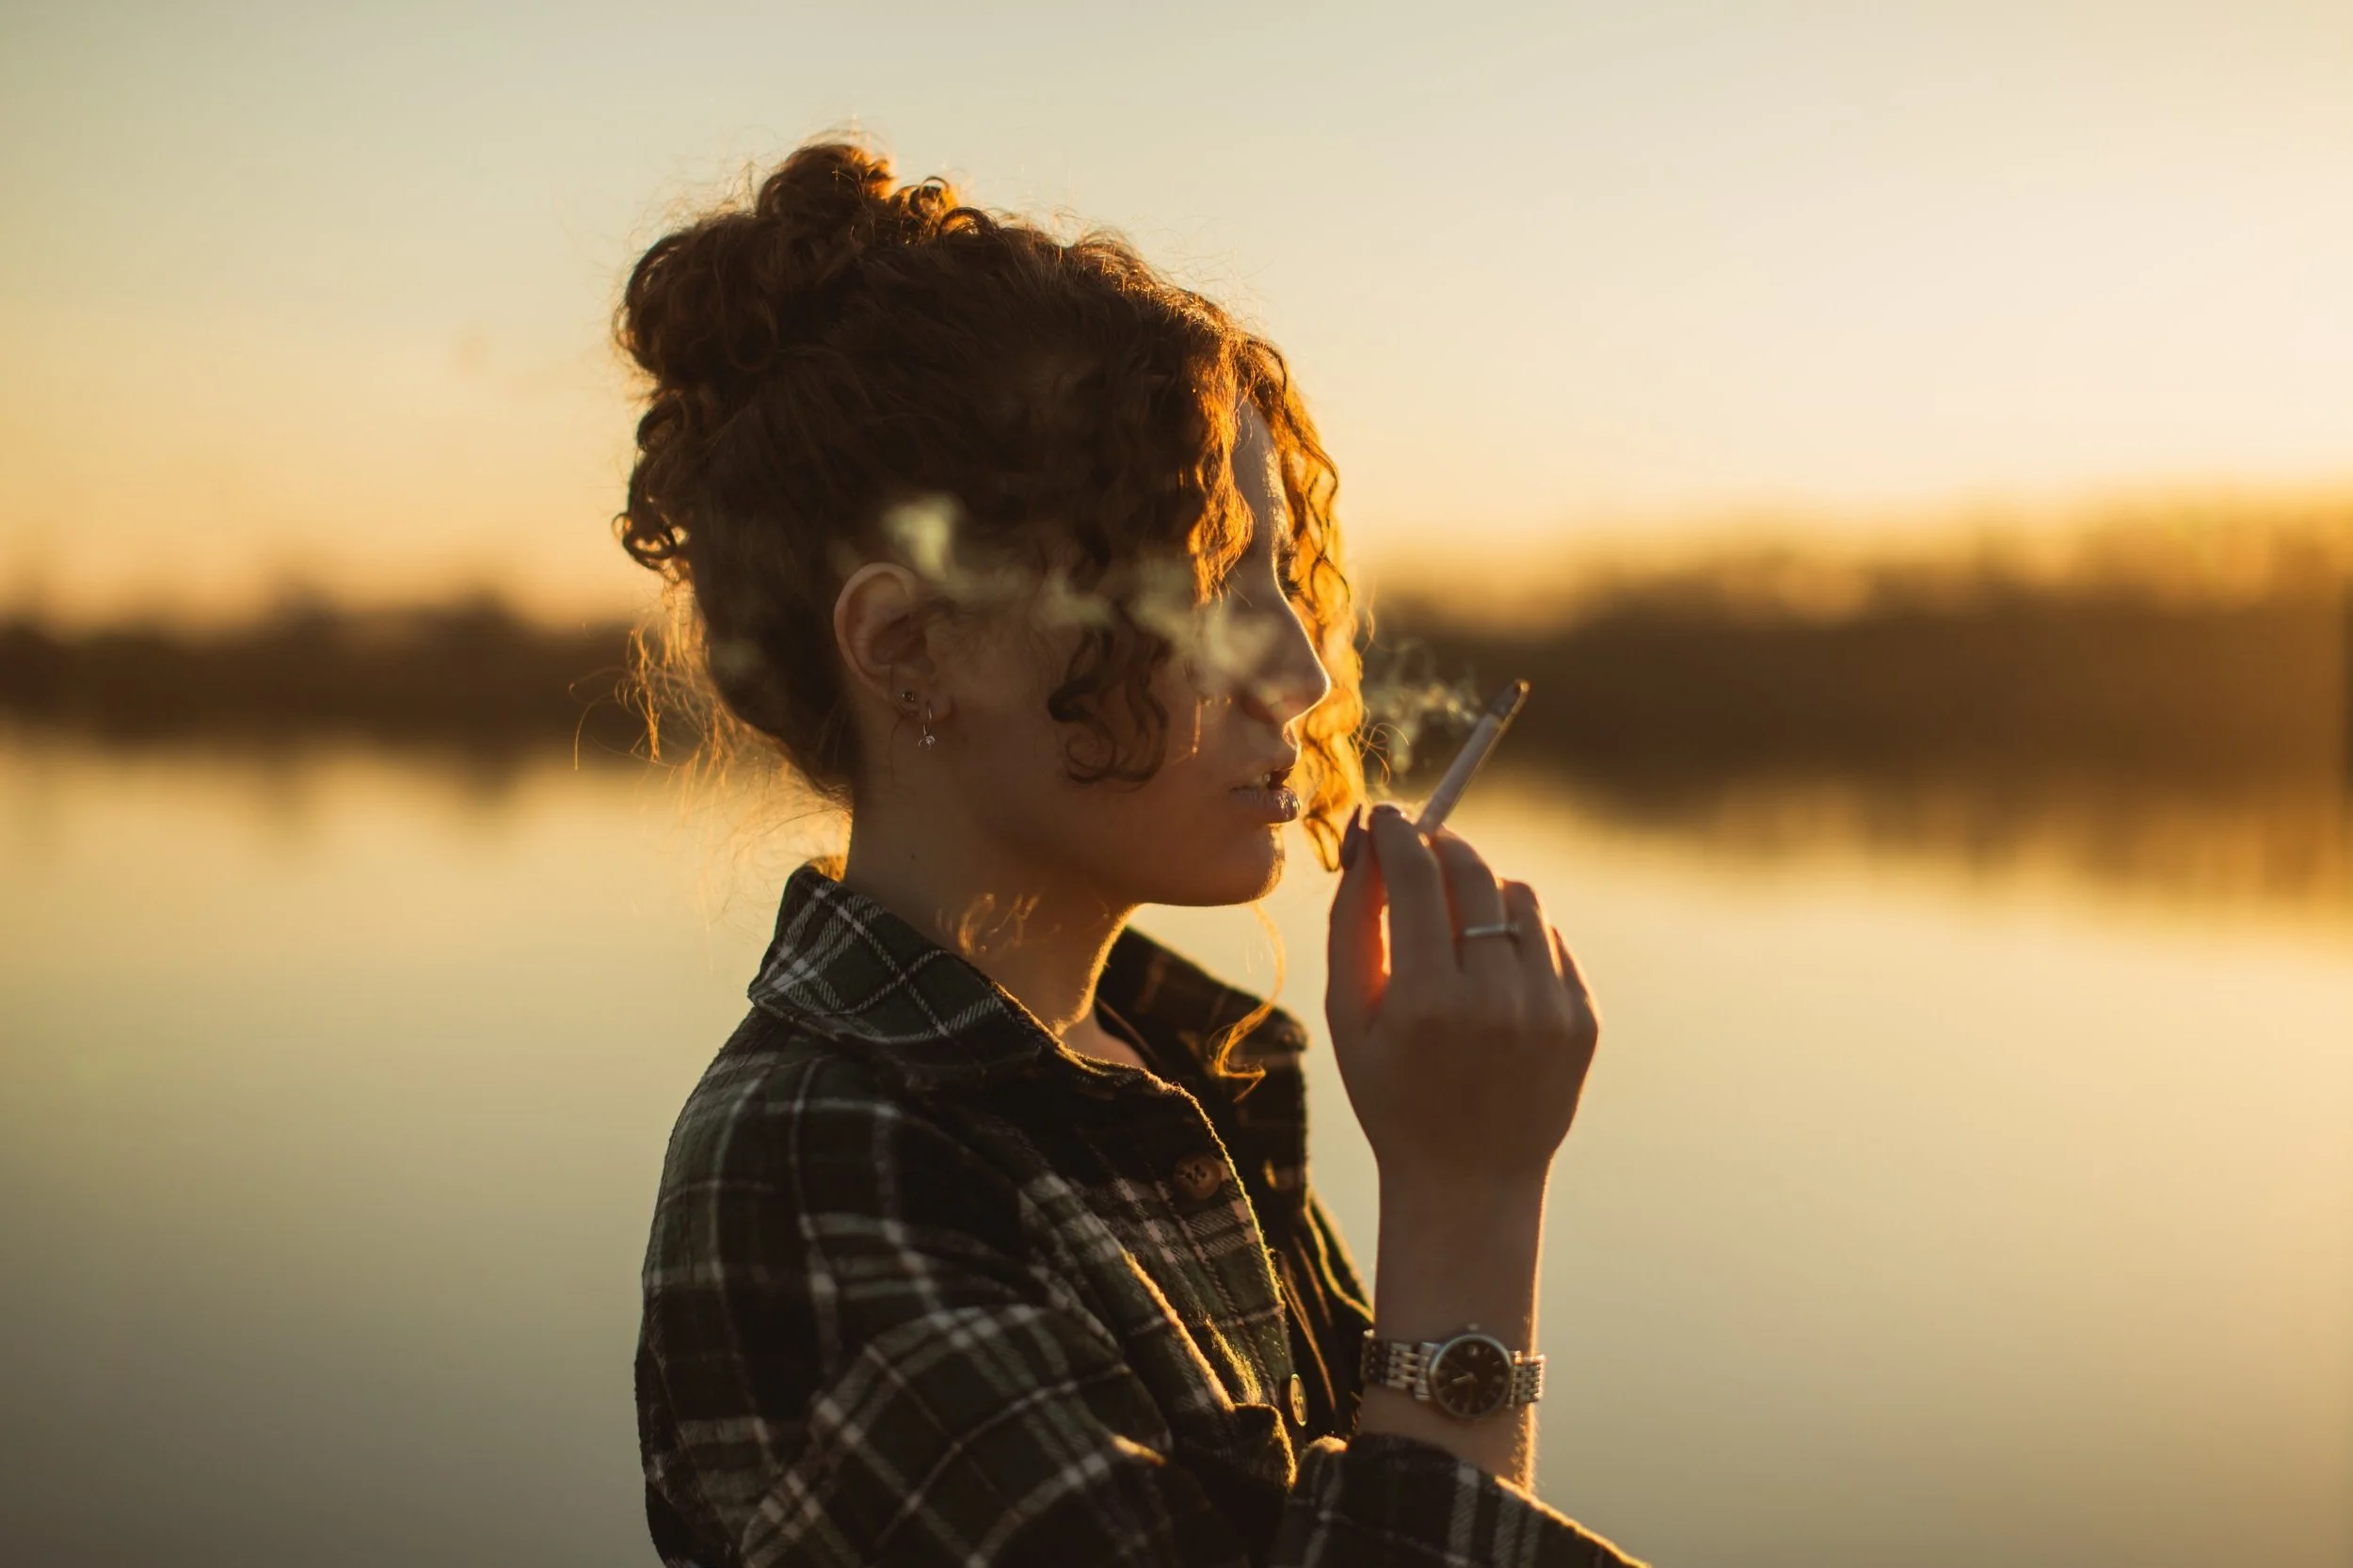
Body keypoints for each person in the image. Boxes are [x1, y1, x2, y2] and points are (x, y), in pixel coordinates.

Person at [618, 137, 1642, 1567]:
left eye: (1283, 576)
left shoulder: (1162, 1074)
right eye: (1208, 583)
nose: (1296, 669)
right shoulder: (819, 1169)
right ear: (914, 649)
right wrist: (1466, 1204)